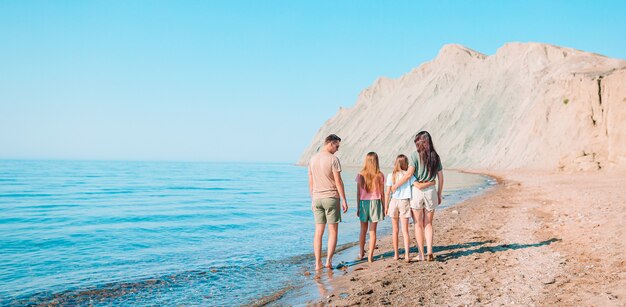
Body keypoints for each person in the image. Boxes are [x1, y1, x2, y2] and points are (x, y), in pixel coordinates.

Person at [392, 131, 443, 261]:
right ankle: (430, 251)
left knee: (418, 224)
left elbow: (409, 175)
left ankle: (421, 254)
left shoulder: (415, 156)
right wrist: (439, 193)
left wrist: (396, 185)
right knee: (429, 223)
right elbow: (441, 178)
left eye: (417, 142)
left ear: (421, 142)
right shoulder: (435, 156)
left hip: (417, 192)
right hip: (431, 191)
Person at [308, 134, 349, 270]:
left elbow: (311, 181)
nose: (337, 149)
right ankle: (328, 262)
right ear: (330, 143)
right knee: (333, 231)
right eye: (337, 146)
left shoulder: (312, 159)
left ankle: (317, 263)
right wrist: (344, 199)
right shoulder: (333, 159)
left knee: (318, 232)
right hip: (331, 197)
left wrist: (312, 198)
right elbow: (338, 181)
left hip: (317, 198)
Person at [356, 152, 385, 263]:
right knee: (372, 231)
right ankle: (370, 256)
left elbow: (358, 193)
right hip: (375, 203)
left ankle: (361, 253)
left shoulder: (360, 175)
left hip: (364, 203)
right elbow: (382, 193)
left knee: (363, 230)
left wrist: (358, 207)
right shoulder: (379, 175)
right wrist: (384, 206)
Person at [384, 154, 414, 262]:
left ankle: (396, 254)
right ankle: (406, 255)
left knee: (395, 230)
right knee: (405, 231)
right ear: (406, 163)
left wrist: (385, 206)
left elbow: (387, 193)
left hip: (393, 202)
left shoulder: (391, 175)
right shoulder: (409, 175)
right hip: (405, 201)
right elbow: (415, 186)